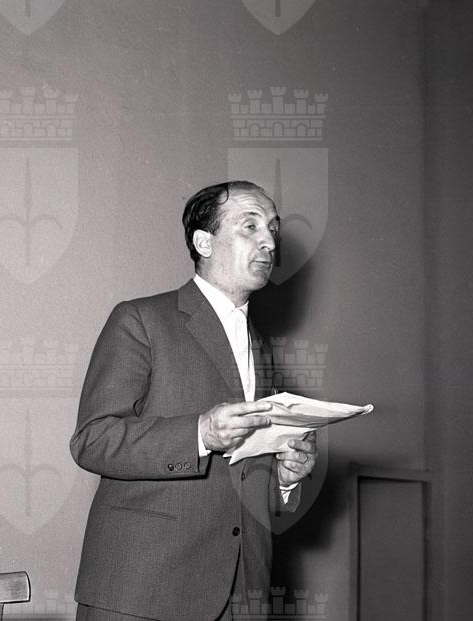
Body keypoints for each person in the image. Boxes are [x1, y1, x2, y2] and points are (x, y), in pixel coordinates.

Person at [70, 181, 317, 621]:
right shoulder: (140, 320)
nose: (269, 241)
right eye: (250, 226)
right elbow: (93, 439)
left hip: (241, 592)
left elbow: (242, 477)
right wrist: (200, 433)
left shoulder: (261, 349)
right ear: (204, 242)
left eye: (273, 229)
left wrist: (285, 477)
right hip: (143, 590)